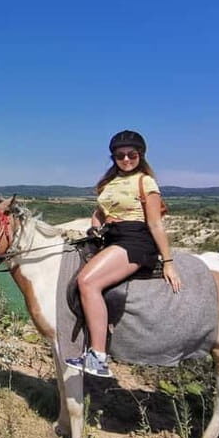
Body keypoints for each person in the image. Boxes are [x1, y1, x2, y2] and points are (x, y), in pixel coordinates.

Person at [66, 130, 181, 378]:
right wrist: (95, 227)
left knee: (87, 281)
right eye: (120, 156)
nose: (126, 159)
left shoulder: (145, 182)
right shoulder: (109, 183)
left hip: (135, 240)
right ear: (114, 158)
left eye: (132, 154)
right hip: (111, 237)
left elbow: (155, 223)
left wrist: (168, 261)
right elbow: (100, 211)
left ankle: (97, 357)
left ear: (141, 155)